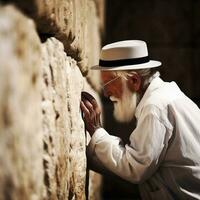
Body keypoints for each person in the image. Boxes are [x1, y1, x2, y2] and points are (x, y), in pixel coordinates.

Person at [80, 40, 200, 199]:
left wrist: (97, 131)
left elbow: (135, 168)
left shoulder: (155, 108)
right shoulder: (166, 95)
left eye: (108, 83)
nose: (106, 93)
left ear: (134, 81)